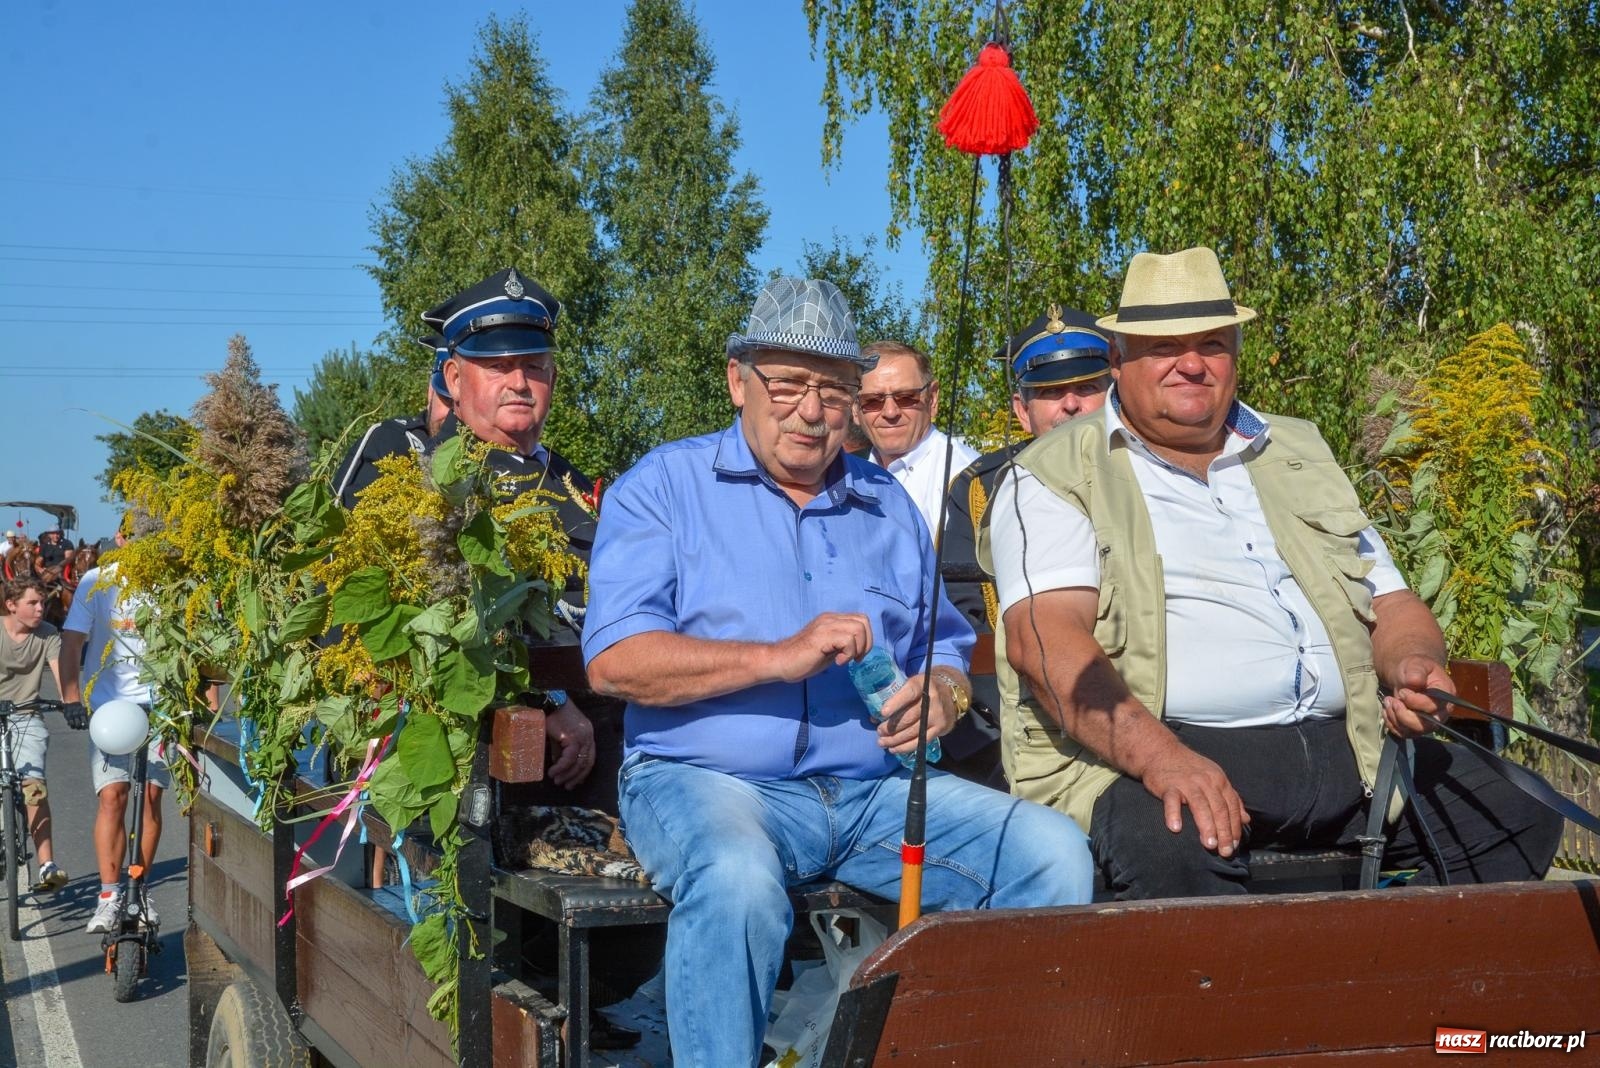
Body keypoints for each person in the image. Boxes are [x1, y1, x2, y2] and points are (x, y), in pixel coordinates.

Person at [583, 277, 1094, 1067]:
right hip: (707, 780)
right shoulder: (664, 487)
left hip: (871, 795)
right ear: (737, 381)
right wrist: (777, 658)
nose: (810, 410)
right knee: (738, 885)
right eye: (786, 384)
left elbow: (946, 646)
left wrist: (947, 695)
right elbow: (616, 662)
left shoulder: (883, 504)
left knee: (1053, 855)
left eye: (832, 389)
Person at [985, 246, 1564, 898]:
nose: (1192, 363)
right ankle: (1237, 999)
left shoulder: (1296, 449)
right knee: (1175, 844)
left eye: (1212, 342)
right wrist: (1164, 759)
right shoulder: (1053, 471)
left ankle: (1405, 987)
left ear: (1236, 352)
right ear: (1119, 361)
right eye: (1163, 347)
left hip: (1351, 749)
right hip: (1156, 749)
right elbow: (1046, 643)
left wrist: (1415, 666)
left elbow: (1393, 603)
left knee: (1513, 814)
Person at [422, 268, 600, 787]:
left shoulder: (571, 479)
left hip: (605, 734)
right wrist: (547, 699)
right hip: (499, 766)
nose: (520, 383)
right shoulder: (435, 483)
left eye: (533, 366)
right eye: (499, 367)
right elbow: (450, 628)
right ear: (454, 379)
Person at [940, 306, 1113, 784]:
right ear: (1022, 409)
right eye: (1051, 393)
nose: (1070, 405)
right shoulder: (978, 490)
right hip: (1017, 722)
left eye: (1087, 388)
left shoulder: (1146, 476)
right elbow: (965, 624)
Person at [59, 528, 173, 931]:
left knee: (151, 799)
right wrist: (72, 698)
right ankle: (108, 895)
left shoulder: (171, 578)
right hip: (110, 706)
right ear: (122, 538)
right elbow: (72, 642)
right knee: (113, 797)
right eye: (136, 535)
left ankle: (139, 890)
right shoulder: (98, 581)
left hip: (160, 706)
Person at [1, 576, 89, 893]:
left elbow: (61, 670)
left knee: (34, 786)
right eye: (32, 603)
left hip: (26, 716)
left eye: (42, 603)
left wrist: (71, 703)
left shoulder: (48, 634)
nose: (41, 609)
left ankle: (47, 864)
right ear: (11, 605)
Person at [854, 340, 979, 537]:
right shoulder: (843, 476)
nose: (890, 411)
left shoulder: (965, 478)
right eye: (872, 401)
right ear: (854, 409)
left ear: (933, 398)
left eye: (906, 397)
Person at [332, 335, 455, 509]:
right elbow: (343, 518)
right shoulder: (391, 441)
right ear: (430, 393)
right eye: (448, 401)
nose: (454, 417)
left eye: (464, 406)